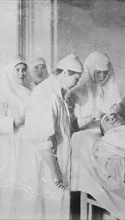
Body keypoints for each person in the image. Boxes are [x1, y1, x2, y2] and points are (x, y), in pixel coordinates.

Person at [12, 53, 83, 219]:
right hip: (44, 162)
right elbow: (42, 140)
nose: (77, 83)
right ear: (65, 73)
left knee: (52, 209)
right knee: (42, 210)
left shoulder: (58, 94)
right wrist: (55, 171)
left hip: (51, 160)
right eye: (76, 79)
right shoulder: (46, 94)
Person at [0, 58, 31, 219]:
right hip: (8, 146)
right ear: (8, 71)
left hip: (26, 145)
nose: (22, 73)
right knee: (8, 189)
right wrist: (19, 121)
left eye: (24, 69)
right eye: (17, 69)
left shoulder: (28, 92)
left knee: (24, 188)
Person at [67, 51, 121, 131]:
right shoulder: (75, 93)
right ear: (91, 70)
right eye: (98, 72)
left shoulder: (112, 92)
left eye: (105, 73)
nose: (102, 77)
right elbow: (69, 126)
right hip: (83, 136)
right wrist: (90, 117)